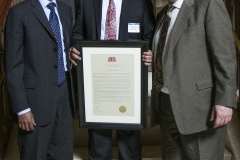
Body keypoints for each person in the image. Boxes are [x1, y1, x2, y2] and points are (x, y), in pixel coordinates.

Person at [150, 0, 237, 159]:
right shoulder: (163, 14)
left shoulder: (209, 4)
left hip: (199, 107)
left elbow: (225, 56)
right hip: (167, 104)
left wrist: (224, 101)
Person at [69, 0, 155, 159]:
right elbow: (78, 33)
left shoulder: (141, 2)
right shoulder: (87, 2)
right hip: (98, 80)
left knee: (130, 139)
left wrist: (148, 50)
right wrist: (74, 48)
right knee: (98, 138)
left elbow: (149, 33)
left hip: (128, 81)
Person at [5, 0, 74, 159]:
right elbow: (13, 66)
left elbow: (64, 47)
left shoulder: (65, 9)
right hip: (34, 103)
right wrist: (21, 108)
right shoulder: (19, 12)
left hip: (64, 99)